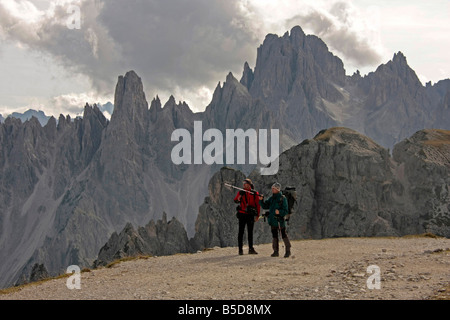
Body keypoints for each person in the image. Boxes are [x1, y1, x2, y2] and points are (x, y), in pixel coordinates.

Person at [259, 182, 291, 258]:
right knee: (274, 235)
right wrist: (261, 200)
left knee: (283, 235)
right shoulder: (271, 198)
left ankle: (288, 251)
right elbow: (265, 206)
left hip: (280, 220)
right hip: (273, 220)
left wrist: (279, 212)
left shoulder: (283, 198)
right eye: (272, 188)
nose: (272, 190)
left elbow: (286, 210)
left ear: (278, 189)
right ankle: (275, 251)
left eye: (274, 188)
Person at [234, 178, 261, 255]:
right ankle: (240, 250)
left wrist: (257, 215)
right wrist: (239, 197)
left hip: (250, 215)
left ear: (250, 185)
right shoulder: (241, 192)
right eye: (244, 185)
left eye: (246, 185)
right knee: (241, 232)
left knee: (250, 232)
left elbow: (257, 205)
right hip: (242, 214)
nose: (245, 186)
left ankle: (251, 249)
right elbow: (236, 200)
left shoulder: (255, 193)